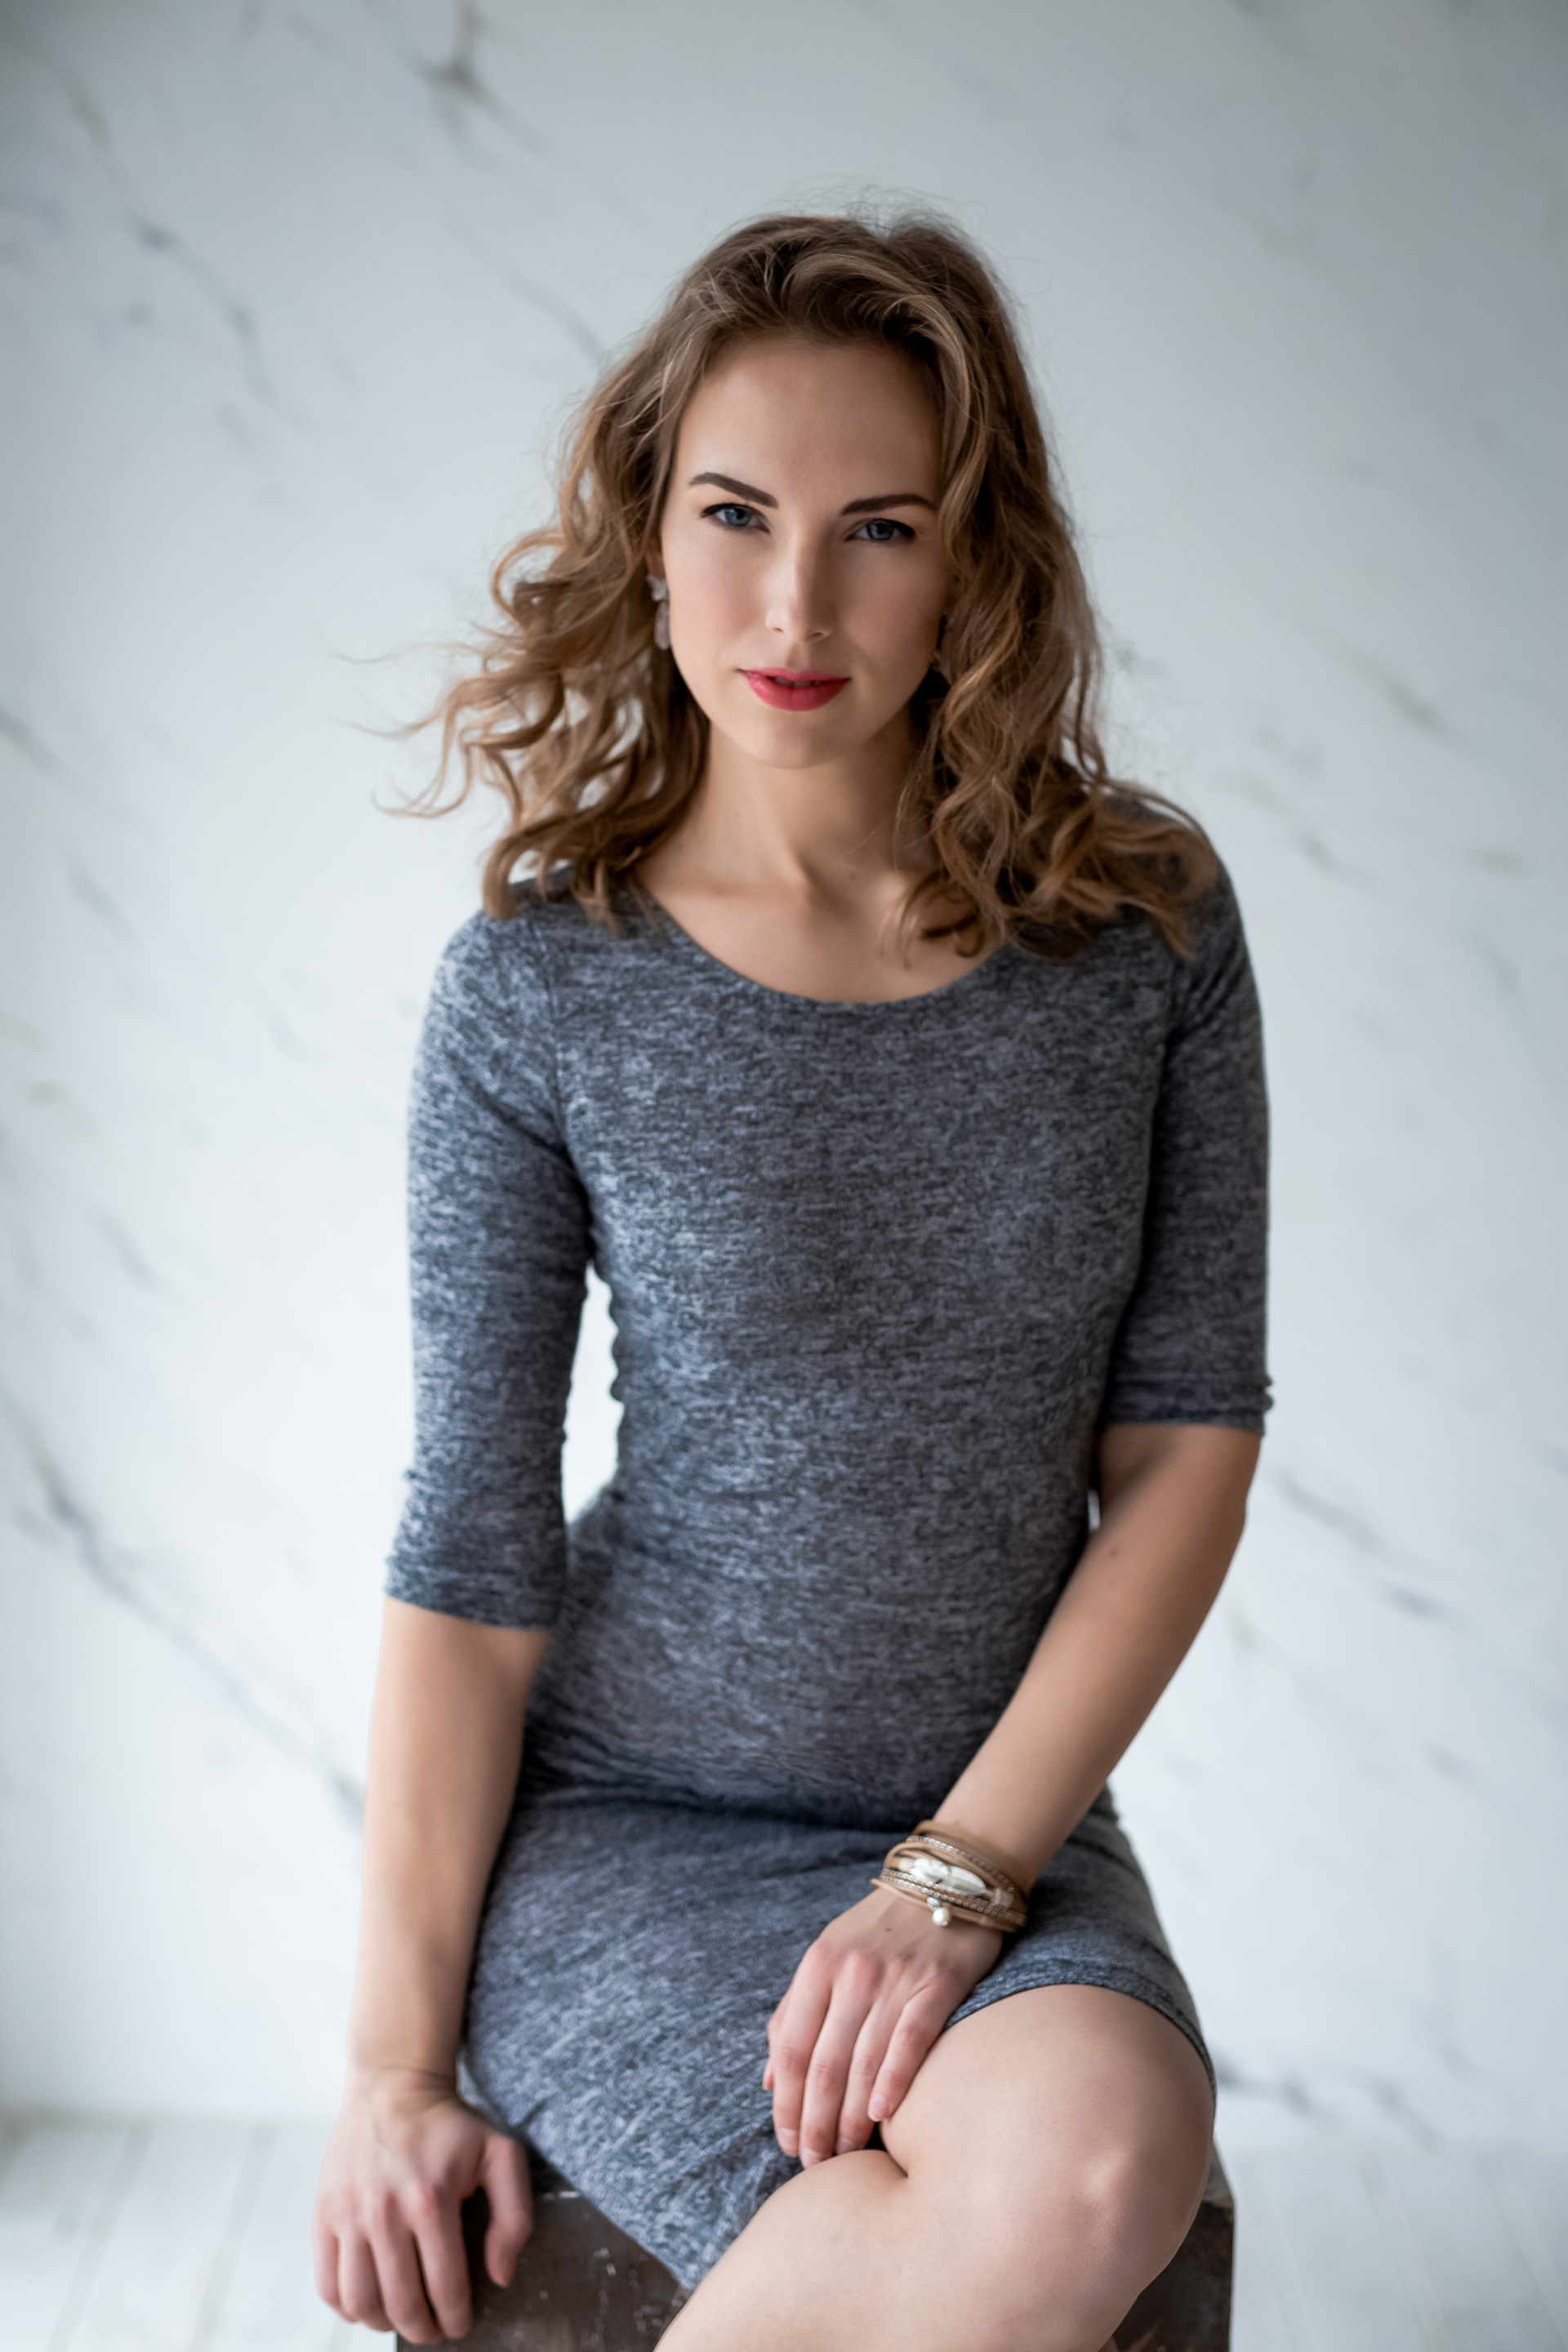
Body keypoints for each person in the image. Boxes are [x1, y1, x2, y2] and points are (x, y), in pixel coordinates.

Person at [312, 210, 1268, 2352]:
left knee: (1101, 2158)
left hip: (999, 1830)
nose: (796, 606)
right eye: (736, 515)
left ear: (975, 561)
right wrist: (389, 2070)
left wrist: (958, 1876)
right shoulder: (543, 987)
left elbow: (1190, 1447)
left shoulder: (1142, 936)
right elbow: (470, 1553)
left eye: (880, 530)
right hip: (634, 1826)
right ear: (650, 537)